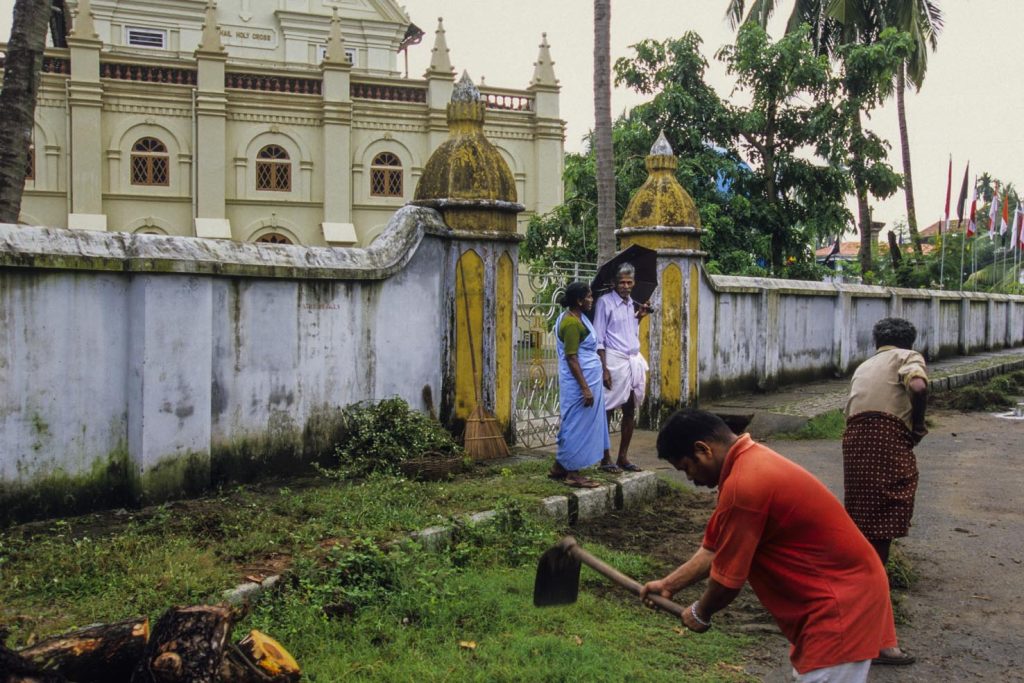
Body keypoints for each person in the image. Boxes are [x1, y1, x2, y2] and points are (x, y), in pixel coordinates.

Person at [641, 409, 903, 682]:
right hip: (834, 599)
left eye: (687, 468)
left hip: (840, 605)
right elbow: (713, 549)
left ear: (703, 449)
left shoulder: (745, 484)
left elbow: (727, 583)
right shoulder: (747, 465)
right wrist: (669, 585)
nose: (690, 479)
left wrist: (701, 611)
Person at [842, 317, 927, 666]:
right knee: (880, 540)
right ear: (909, 342)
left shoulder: (864, 366)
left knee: (863, 529)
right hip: (884, 442)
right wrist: (918, 424)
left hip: (855, 442)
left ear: (877, 342)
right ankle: (874, 637)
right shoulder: (908, 356)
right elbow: (918, 386)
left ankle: (858, 620)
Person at [549, 282, 610, 488]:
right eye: (589, 297)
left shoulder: (578, 318)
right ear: (579, 300)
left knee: (577, 422)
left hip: (588, 377)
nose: (592, 300)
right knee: (577, 424)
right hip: (579, 382)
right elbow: (572, 358)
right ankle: (572, 473)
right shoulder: (571, 324)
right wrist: (585, 388)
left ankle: (559, 466)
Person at [592, 263, 650, 473]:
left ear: (634, 283)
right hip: (613, 361)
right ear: (615, 283)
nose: (625, 286)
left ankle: (623, 457)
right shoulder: (605, 303)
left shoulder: (631, 304)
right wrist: (604, 369)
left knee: (630, 409)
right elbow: (599, 339)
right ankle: (605, 458)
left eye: (629, 282)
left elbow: (629, 333)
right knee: (607, 410)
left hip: (632, 360)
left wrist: (639, 318)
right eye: (622, 282)